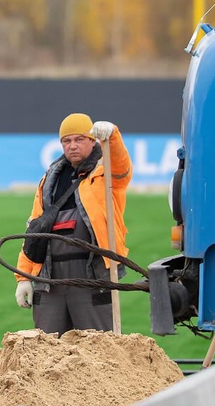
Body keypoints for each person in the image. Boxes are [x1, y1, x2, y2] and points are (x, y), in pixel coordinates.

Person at [14, 114, 132, 334]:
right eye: (67, 141)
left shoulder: (105, 172)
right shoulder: (49, 179)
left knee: (98, 348)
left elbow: (122, 165)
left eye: (79, 139)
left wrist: (112, 135)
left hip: (91, 276)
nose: (73, 146)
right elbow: (34, 230)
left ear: (92, 140)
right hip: (50, 279)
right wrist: (23, 277)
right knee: (49, 350)